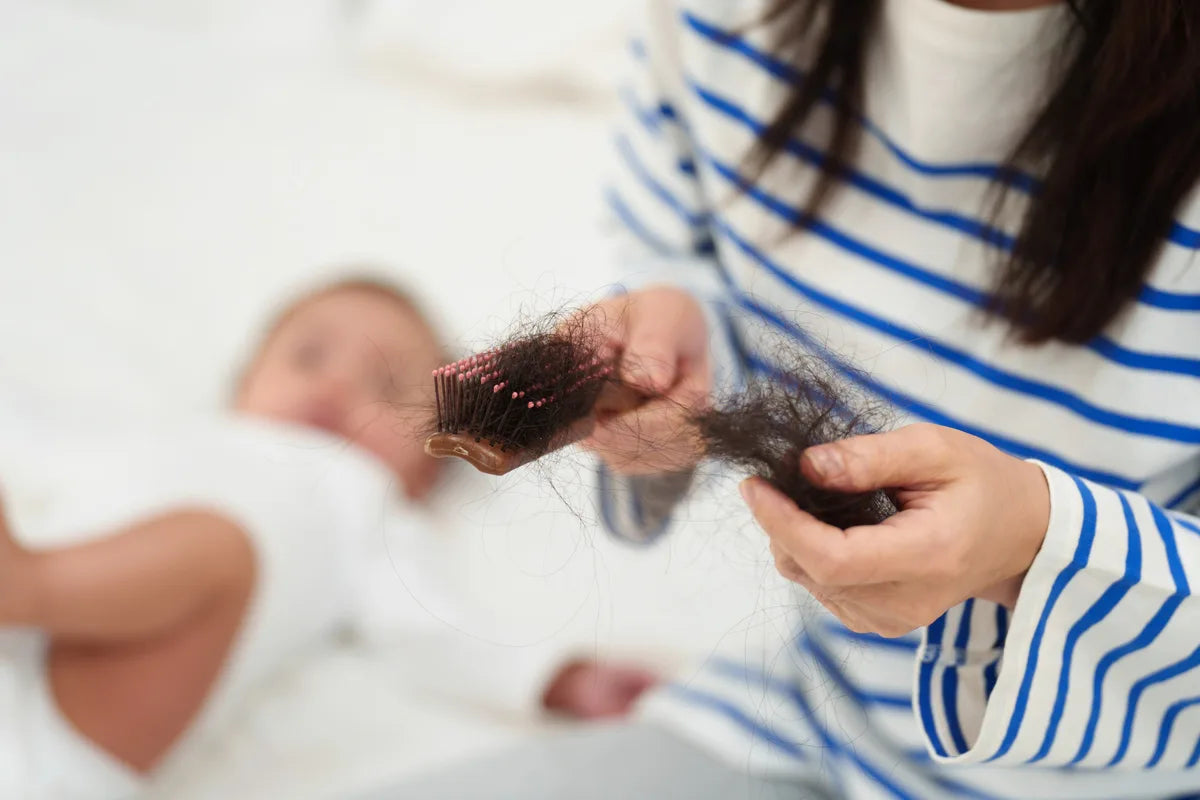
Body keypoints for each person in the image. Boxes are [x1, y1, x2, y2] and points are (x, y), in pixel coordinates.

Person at [376, 0, 1200, 797]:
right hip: (804, 724)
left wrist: (1033, 547)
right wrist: (683, 342)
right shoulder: (721, 17)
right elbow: (681, 259)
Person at [0, 276, 657, 799]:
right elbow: (37, 439)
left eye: (386, 386)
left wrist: (553, 678)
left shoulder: (366, 502)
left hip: (78, 719)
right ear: (243, 382)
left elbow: (433, 628)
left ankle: (29, 586)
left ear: (427, 465)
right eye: (308, 355)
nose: (336, 385)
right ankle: (29, 586)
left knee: (218, 551)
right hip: (15, 645)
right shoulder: (165, 439)